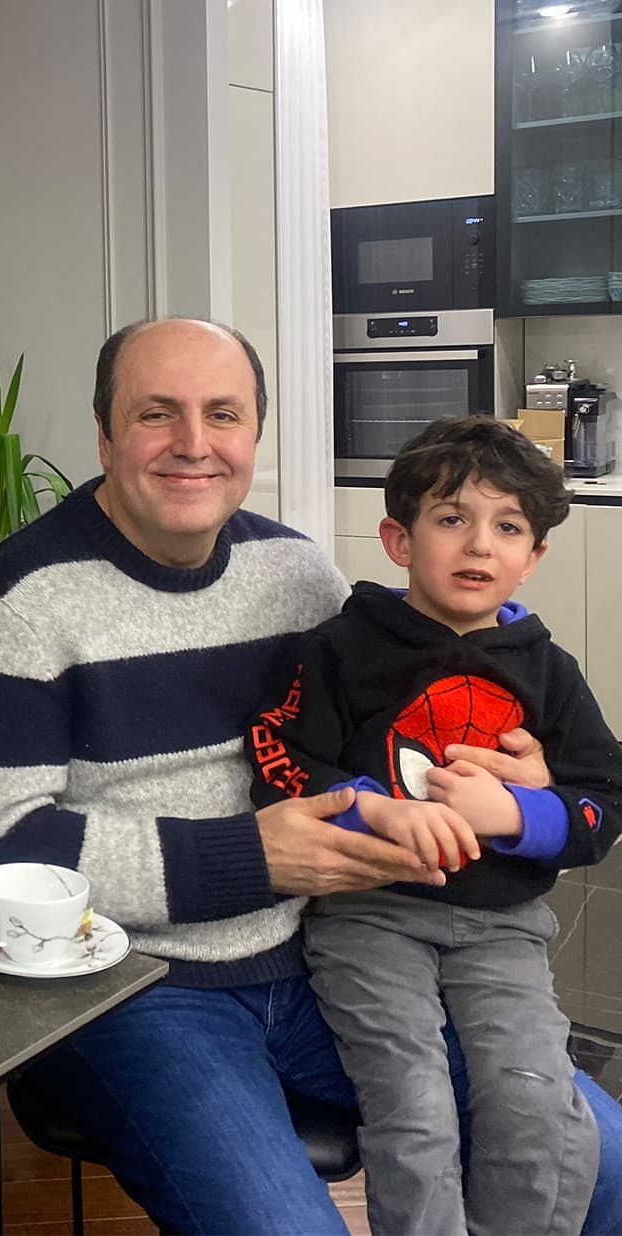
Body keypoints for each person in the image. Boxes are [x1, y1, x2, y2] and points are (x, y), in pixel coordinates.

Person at [0, 316, 622, 1234]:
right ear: (103, 435)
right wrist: (247, 859)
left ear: (253, 435)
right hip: (137, 988)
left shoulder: (296, 572)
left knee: (596, 1159)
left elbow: (405, 685)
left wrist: (521, 757)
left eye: (222, 413)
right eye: (156, 414)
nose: (192, 443)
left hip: (335, 957)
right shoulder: (22, 600)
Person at [249, 416, 621, 1234]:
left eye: (508, 526)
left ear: (534, 554)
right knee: (412, 1110)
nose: (478, 546)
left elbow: (602, 797)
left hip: (501, 930)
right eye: (451, 519)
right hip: (368, 917)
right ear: (397, 538)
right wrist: (367, 803)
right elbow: (278, 752)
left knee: (532, 1105)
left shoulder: (547, 670)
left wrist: (519, 811)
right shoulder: (340, 647)